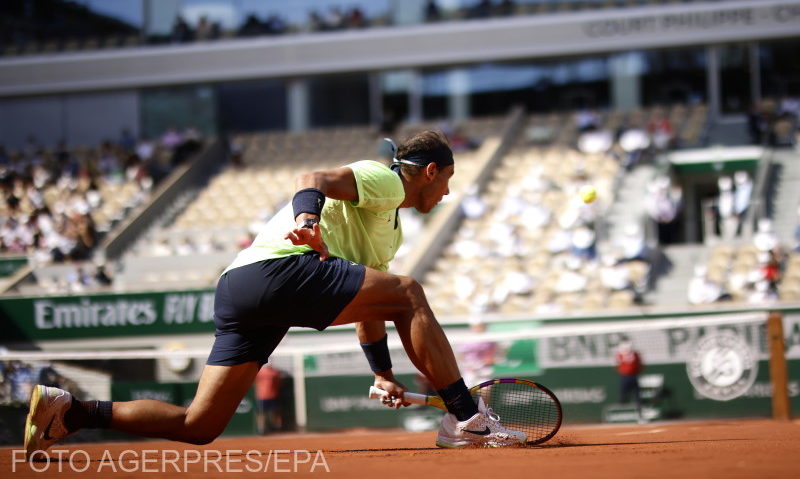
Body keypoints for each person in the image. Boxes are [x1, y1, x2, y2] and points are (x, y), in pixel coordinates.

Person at [23, 130, 525, 458]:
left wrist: (382, 373)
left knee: (200, 424)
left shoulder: (388, 234)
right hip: (279, 270)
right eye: (447, 181)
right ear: (431, 171)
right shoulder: (386, 180)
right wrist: (308, 219)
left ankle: (70, 412)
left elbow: (372, 307)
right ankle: (466, 416)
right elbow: (313, 179)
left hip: (240, 289)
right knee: (410, 292)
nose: (447, 193)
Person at [615, 340, 643, 417]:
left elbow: (639, 364)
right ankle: (622, 410)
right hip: (625, 376)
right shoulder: (620, 354)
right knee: (623, 395)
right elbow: (617, 365)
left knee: (637, 395)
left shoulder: (635, 354)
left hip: (633, 376)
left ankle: (639, 412)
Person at [255, 364, 282, 433]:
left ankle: (276, 428)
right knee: (262, 413)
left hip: (272, 396)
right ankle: (262, 429)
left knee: (275, 413)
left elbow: (278, 382)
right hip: (262, 396)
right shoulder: (260, 373)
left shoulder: (275, 372)